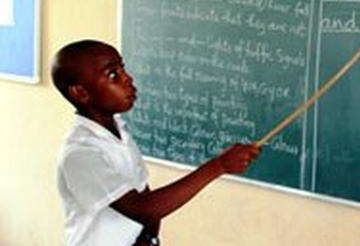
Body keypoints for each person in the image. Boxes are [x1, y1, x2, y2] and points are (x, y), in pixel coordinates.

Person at [52, 39, 261, 246]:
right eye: (113, 75)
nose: (128, 79)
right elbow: (142, 208)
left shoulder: (118, 133)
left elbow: (144, 193)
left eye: (123, 69)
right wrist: (219, 166)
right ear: (81, 93)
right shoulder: (81, 154)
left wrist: (149, 239)